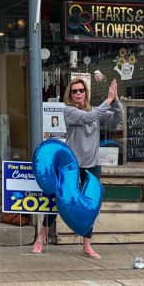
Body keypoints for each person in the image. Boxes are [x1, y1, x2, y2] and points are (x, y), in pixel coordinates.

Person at [31, 77, 123, 258]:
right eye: (75, 91)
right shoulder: (69, 111)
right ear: (70, 95)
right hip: (71, 165)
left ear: (86, 93)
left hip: (92, 163)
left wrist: (116, 99)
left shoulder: (97, 111)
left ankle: (86, 246)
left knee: (91, 204)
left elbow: (118, 119)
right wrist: (109, 100)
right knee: (59, 202)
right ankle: (40, 238)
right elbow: (88, 117)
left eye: (81, 90)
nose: (78, 93)